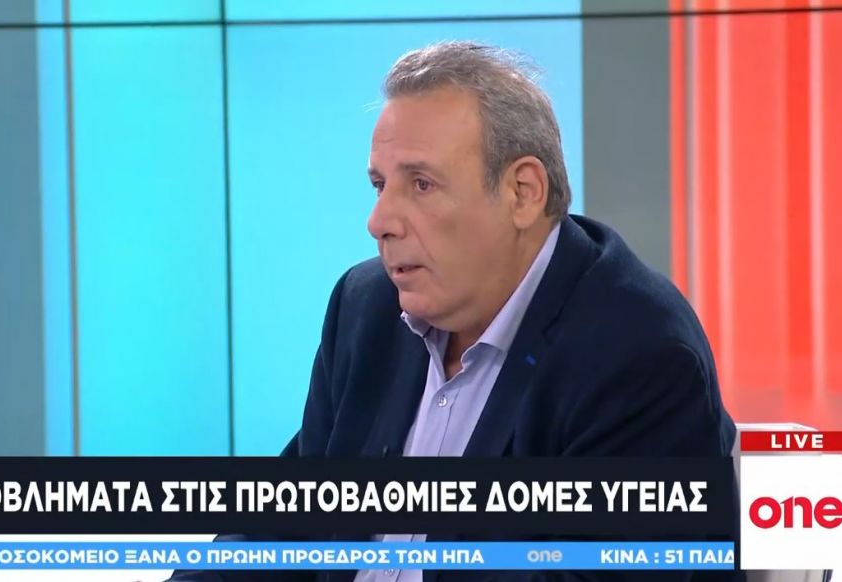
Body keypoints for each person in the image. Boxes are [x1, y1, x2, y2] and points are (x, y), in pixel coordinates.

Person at [170, 41, 741, 582]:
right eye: (379, 185)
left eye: (421, 184)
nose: (379, 221)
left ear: (522, 192)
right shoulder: (366, 309)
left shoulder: (638, 355)